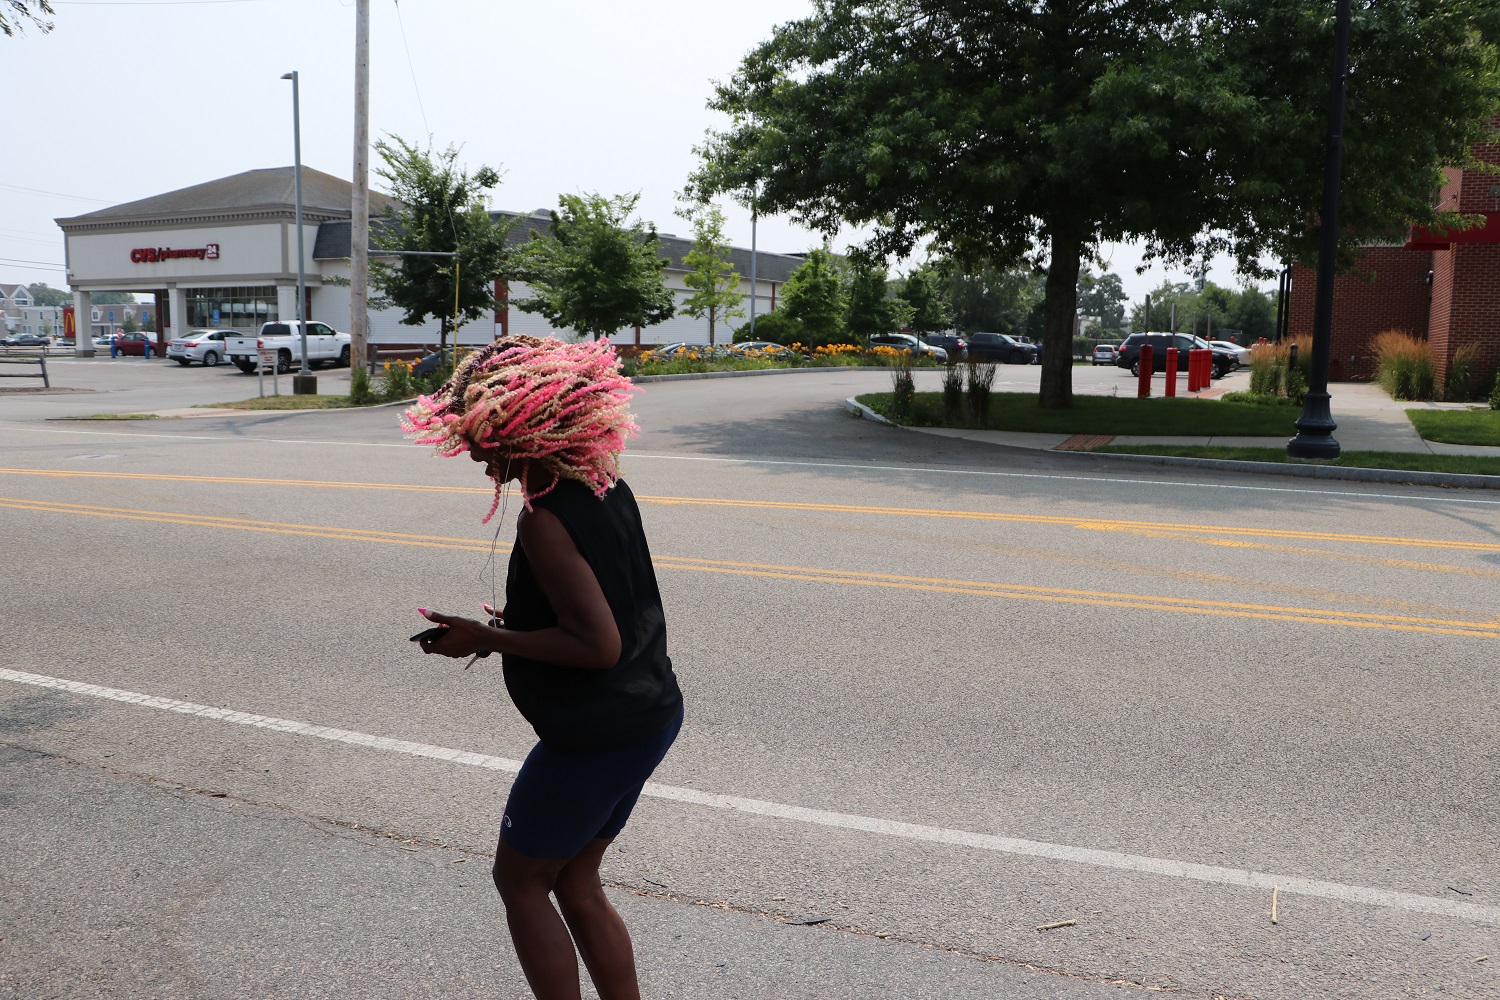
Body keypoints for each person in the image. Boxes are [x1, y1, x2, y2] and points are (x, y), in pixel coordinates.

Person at [406, 334, 683, 1000]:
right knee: (577, 880)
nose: (473, 450)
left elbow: (598, 645)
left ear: (520, 428)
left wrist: (486, 638)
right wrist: (516, 626)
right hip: (648, 714)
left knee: (521, 881)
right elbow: (605, 603)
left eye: (478, 433)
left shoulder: (543, 520)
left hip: (595, 733)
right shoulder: (604, 484)